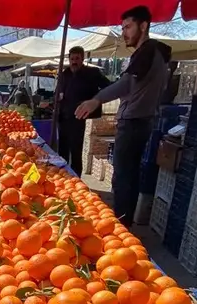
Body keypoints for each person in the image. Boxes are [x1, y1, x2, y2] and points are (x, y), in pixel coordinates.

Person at [76, 5, 172, 224]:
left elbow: (127, 83)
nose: (124, 32)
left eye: (128, 27)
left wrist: (97, 99)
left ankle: (119, 226)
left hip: (133, 122)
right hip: (143, 119)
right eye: (123, 28)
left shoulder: (147, 51)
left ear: (144, 26)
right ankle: (125, 223)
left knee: (122, 176)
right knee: (130, 174)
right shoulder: (158, 54)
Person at [55, 46, 112, 177]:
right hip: (63, 118)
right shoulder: (64, 74)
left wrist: (95, 101)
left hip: (79, 118)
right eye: (72, 59)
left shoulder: (92, 73)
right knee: (62, 151)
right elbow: (58, 92)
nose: (74, 61)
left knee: (76, 151)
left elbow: (108, 88)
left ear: (82, 59)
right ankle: (61, 177)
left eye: (77, 58)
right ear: (69, 59)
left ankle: (76, 180)